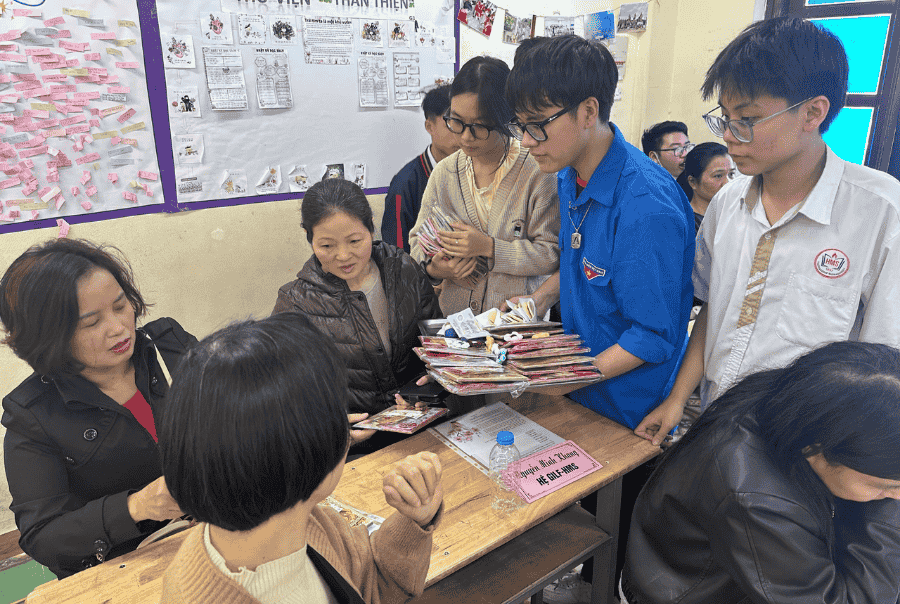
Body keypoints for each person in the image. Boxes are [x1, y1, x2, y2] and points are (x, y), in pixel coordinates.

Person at [636, 16, 900, 447]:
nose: (729, 136)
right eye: (725, 118)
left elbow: (883, 365)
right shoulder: (728, 202)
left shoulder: (880, 212)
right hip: (716, 423)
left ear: (813, 112)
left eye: (748, 119)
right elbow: (714, 309)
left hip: (805, 447)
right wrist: (678, 399)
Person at [158, 314, 443, 604]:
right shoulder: (195, 593)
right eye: (336, 410)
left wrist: (414, 521)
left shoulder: (305, 519)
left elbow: (368, 583)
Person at [622, 341, 900, 604]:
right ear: (817, 449)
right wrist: (887, 511)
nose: (895, 495)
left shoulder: (797, 401)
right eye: (887, 485)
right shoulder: (758, 499)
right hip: (687, 593)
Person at [0, 239, 197, 578]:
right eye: (91, 323)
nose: (119, 328)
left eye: (121, 305)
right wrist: (136, 506)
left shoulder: (167, 347)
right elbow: (43, 537)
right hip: (129, 565)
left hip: (212, 532)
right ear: (48, 337)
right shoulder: (34, 414)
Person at [273, 178, 440, 453]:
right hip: (351, 448)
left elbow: (438, 347)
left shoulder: (403, 270)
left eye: (354, 241)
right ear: (309, 238)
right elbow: (282, 392)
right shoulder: (296, 302)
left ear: (370, 227)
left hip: (421, 429)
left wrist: (430, 386)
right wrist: (329, 429)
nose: (343, 255)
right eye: (327, 246)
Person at [408, 55, 560, 317]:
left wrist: (489, 247)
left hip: (515, 325)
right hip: (455, 326)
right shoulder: (445, 172)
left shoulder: (537, 172)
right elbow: (417, 243)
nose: (466, 137)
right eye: (456, 121)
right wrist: (436, 269)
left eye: (479, 126)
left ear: (504, 119)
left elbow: (551, 254)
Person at [381, 85, 459, 252]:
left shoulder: (477, 170)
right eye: (452, 123)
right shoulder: (405, 185)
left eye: (466, 123)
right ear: (429, 127)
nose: (462, 134)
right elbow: (396, 255)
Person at [675, 142, 732, 232]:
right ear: (693, 182)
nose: (727, 183)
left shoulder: (735, 216)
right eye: (718, 176)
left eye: (731, 174)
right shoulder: (683, 224)